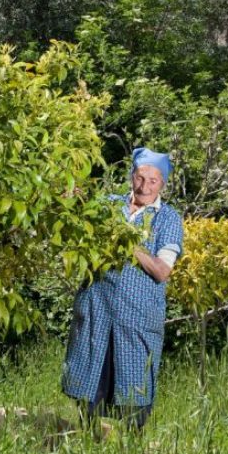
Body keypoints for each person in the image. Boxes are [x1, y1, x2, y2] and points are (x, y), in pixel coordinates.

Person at [62, 147, 183, 432]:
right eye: (140, 178)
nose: (145, 186)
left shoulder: (168, 219)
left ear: (162, 184)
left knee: (134, 383)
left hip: (137, 317)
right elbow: (77, 222)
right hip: (97, 310)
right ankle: (87, 437)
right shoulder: (108, 206)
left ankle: (130, 450)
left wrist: (129, 243)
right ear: (131, 177)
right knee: (90, 375)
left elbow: (161, 271)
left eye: (153, 181)